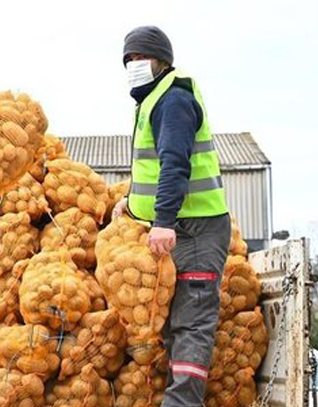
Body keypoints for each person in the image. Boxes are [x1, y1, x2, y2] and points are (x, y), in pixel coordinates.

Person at [114, 25, 231, 407]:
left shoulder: (173, 100)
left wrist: (162, 221)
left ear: (162, 61)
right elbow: (151, 169)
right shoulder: (153, 101)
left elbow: (174, 163)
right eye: (128, 59)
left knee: (192, 325)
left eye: (141, 57)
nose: (134, 64)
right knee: (172, 325)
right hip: (181, 229)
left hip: (196, 230)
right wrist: (131, 205)